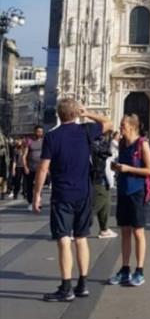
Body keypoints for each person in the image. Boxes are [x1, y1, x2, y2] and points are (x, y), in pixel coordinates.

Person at [33, 98, 112, 301]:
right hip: (84, 194)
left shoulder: (52, 137)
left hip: (62, 195)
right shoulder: (85, 131)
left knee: (63, 240)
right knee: (81, 238)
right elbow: (109, 122)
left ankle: (66, 288)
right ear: (75, 113)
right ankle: (82, 285)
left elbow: (43, 168)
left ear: (59, 114)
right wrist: (87, 114)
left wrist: (37, 195)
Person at [108, 113, 150, 287]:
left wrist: (128, 168)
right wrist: (117, 166)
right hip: (123, 191)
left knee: (138, 232)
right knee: (125, 232)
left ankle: (140, 270)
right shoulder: (122, 143)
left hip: (137, 192)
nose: (120, 128)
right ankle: (125, 269)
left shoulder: (143, 144)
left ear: (133, 126)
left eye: (123, 125)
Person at [91, 129, 117, 238]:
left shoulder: (97, 145)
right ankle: (77, 228)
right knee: (95, 206)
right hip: (99, 179)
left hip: (103, 180)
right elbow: (106, 162)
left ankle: (104, 229)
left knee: (105, 204)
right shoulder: (99, 147)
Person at [22, 125, 45, 210]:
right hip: (30, 167)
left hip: (40, 168)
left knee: (39, 185)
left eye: (41, 132)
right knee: (29, 186)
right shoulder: (29, 141)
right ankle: (30, 202)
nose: (40, 133)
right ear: (34, 131)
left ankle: (38, 201)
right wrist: (25, 167)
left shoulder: (43, 141)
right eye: (38, 131)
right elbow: (24, 156)